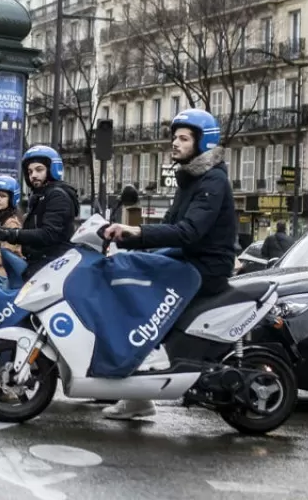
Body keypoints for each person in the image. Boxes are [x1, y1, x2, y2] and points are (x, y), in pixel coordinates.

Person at [101, 108, 237, 421]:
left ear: (203, 144)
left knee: (138, 291)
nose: (175, 143)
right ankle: (137, 393)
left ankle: (146, 377)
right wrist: (125, 242)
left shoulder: (212, 182)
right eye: (174, 137)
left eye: (184, 138)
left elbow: (188, 233)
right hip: (188, 259)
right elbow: (169, 230)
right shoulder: (191, 178)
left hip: (205, 267)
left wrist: (135, 231)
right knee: (125, 267)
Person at [0, 146, 79, 281]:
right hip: (37, 263)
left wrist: (2, 233)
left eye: (39, 170)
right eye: (30, 171)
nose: (33, 175)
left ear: (52, 169)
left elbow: (48, 234)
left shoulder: (57, 196)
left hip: (50, 266)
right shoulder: (40, 196)